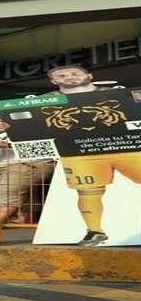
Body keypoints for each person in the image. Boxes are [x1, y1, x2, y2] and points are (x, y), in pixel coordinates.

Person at [44, 65, 141, 245]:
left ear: (89, 75)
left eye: (75, 73)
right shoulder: (45, 101)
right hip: (78, 151)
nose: (70, 77)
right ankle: (95, 231)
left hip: (125, 145)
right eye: (62, 75)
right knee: (88, 191)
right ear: (53, 81)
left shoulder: (115, 93)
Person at [0, 123, 54, 224]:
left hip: (25, 164)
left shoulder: (36, 129)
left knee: (9, 198)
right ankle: (25, 219)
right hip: (1, 165)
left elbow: (46, 146)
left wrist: (9, 145)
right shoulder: (5, 134)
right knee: (24, 195)